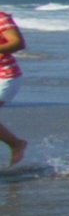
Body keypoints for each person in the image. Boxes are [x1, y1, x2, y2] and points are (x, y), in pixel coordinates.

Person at [0, 10, 28, 166]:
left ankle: (16, 144)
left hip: (5, 76)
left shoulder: (1, 17)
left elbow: (17, 42)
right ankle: (15, 144)